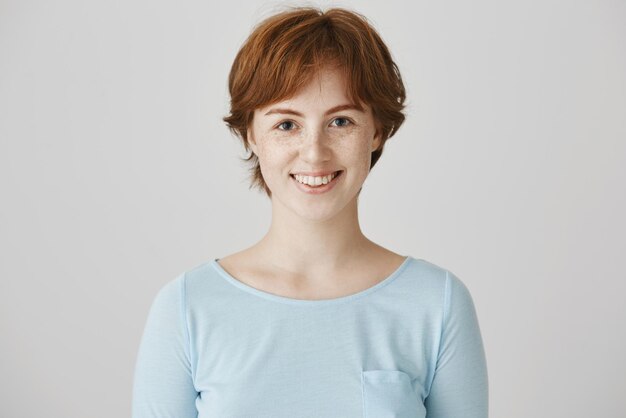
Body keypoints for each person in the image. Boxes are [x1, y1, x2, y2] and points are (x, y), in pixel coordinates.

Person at [132, 6, 488, 418]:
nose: (315, 152)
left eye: (340, 121)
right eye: (287, 124)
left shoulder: (436, 304)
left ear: (376, 131)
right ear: (251, 132)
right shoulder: (187, 307)